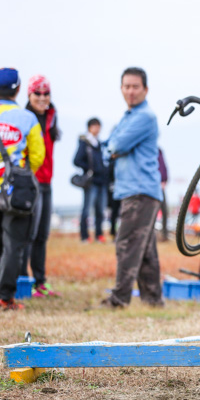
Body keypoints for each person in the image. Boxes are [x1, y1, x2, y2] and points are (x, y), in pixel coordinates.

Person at [101, 67, 163, 308]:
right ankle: (154, 301)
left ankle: (118, 300)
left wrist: (113, 147)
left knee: (126, 245)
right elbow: (111, 144)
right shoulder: (129, 115)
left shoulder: (144, 116)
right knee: (145, 251)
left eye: (135, 86)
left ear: (145, 89)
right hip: (137, 189)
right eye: (126, 86)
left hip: (139, 190)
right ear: (121, 88)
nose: (130, 91)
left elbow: (115, 143)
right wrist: (112, 146)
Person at [0, 68, 45, 310]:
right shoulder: (27, 118)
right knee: (14, 243)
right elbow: (38, 155)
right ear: (19, 90)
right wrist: (23, 172)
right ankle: (4, 296)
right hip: (15, 191)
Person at [20, 75, 60, 297]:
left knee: (43, 235)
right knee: (28, 234)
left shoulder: (53, 117)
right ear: (29, 95)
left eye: (46, 93)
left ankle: (40, 282)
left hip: (47, 182)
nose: (42, 98)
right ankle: (23, 280)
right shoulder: (25, 118)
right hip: (30, 181)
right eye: (38, 93)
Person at [74, 118, 108, 243]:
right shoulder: (85, 142)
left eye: (99, 126)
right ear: (89, 127)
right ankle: (84, 236)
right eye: (95, 126)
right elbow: (76, 160)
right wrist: (89, 169)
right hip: (91, 182)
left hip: (102, 181)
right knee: (86, 210)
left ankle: (99, 235)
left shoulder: (99, 144)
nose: (97, 129)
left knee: (100, 210)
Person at [157, 148, 169, 241]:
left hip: (161, 186)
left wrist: (165, 180)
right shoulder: (148, 150)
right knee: (152, 212)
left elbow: (164, 167)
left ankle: (164, 234)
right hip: (153, 186)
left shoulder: (159, 151)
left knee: (164, 211)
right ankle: (151, 235)